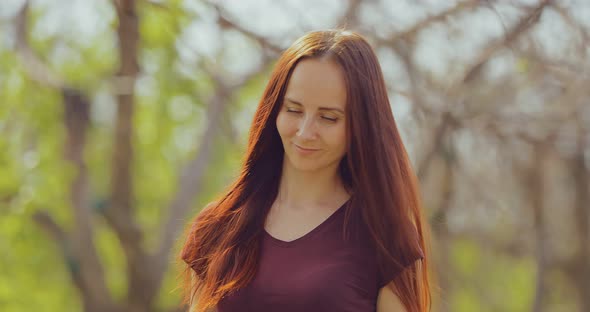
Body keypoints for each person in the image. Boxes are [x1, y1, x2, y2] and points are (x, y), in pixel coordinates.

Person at [179, 29, 431, 312]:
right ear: (274, 110)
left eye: (328, 117)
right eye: (294, 110)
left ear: (361, 126)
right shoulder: (217, 227)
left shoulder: (386, 236)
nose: (305, 131)